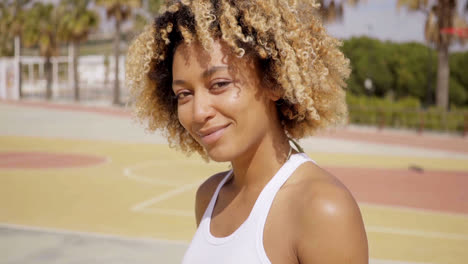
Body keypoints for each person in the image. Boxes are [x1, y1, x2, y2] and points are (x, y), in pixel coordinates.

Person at [126, 0, 368, 263]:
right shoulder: (209, 197)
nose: (198, 112)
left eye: (219, 84)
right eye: (184, 94)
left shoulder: (321, 209)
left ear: (274, 81)